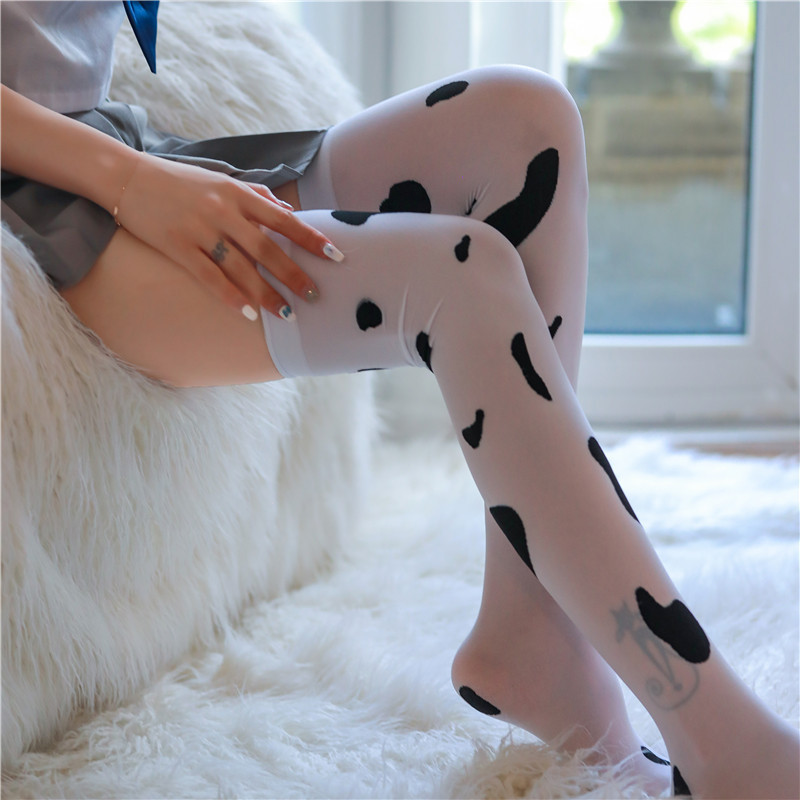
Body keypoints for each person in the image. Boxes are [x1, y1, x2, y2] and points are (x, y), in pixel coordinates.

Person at [2, 3, 798, 797]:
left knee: (527, 121)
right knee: (460, 276)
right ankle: (719, 733)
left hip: (97, 147)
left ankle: (535, 627)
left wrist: (136, 171)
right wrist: (134, 183)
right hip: (39, 201)